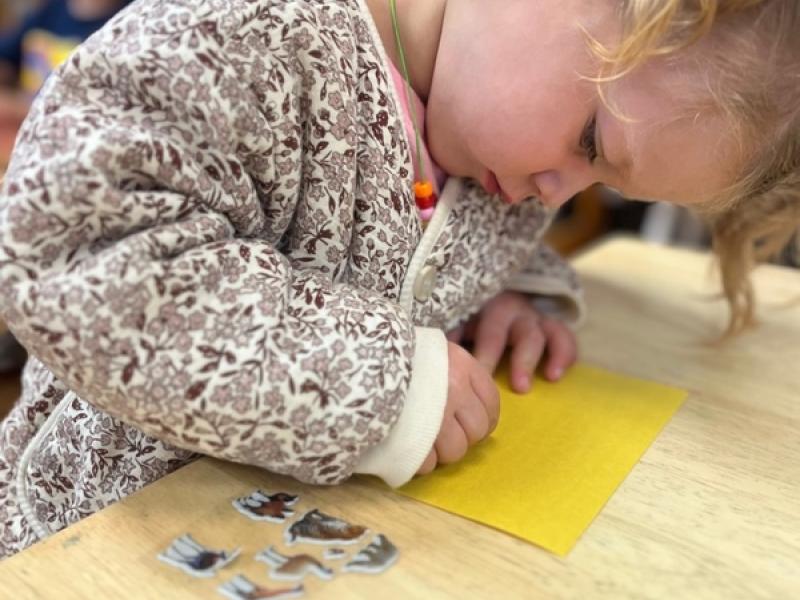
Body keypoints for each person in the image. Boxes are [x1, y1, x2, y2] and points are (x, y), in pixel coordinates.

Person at [0, 0, 796, 559]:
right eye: (591, 141)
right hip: (97, 540)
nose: (556, 193)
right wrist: (383, 385)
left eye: (601, 188)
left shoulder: (499, 148)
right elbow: (77, 251)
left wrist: (511, 291)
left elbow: (421, 253)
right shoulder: (247, 35)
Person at [0, 0, 134, 373]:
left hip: (77, 165)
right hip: (21, 150)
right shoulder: (47, 14)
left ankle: (31, 333)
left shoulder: (127, 22)